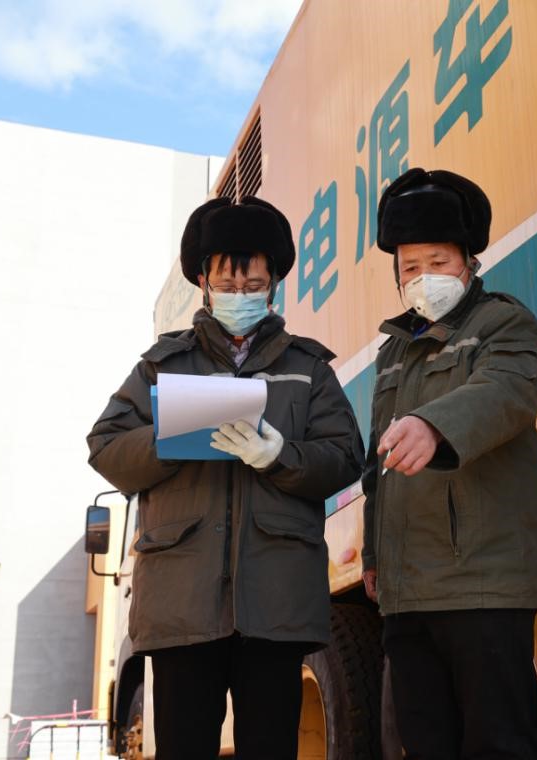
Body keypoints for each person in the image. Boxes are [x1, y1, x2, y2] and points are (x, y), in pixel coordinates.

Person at [87, 195, 364, 760]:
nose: (241, 295)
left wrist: (280, 456)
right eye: (228, 284)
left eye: (253, 284)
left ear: (274, 286)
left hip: (277, 607)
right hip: (182, 606)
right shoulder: (162, 366)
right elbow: (106, 445)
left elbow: (345, 457)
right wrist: (168, 437)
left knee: (271, 746)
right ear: (204, 284)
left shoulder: (307, 369)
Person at [360, 168, 537, 758]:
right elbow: (377, 468)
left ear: (468, 261)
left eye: (438, 262)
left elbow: (506, 392)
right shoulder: (392, 354)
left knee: (500, 743)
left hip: (483, 586)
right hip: (407, 596)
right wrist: (374, 558)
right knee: (425, 745)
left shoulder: (504, 324)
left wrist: (434, 425)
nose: (424, 278)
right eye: (409, 267)